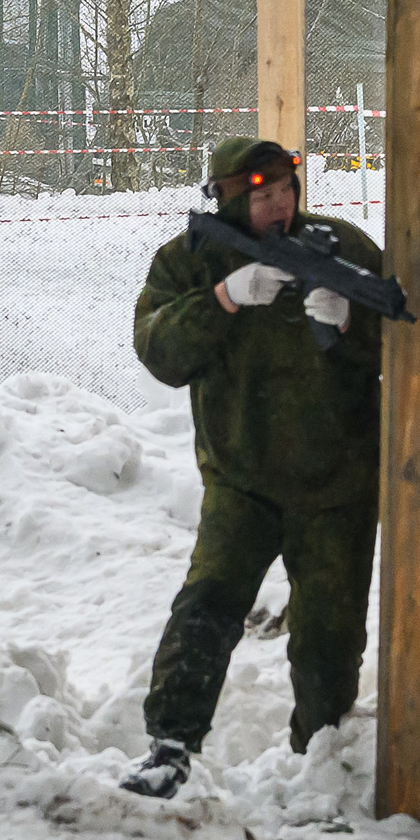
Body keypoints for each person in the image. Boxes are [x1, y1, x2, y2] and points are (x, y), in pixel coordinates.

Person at [119, 138, 388, 800]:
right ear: (230, 200)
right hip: (240, 478)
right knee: (207, 607)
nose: (280, 206)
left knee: (329, 639)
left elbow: (409, 337)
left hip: (338, 484)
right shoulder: (192, 260)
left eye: (288, 191)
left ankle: (319, 758)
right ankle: (170, 745)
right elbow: (158, 350)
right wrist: (225, 298)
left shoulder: (345, 249)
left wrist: (351, 322)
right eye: (263, 196)